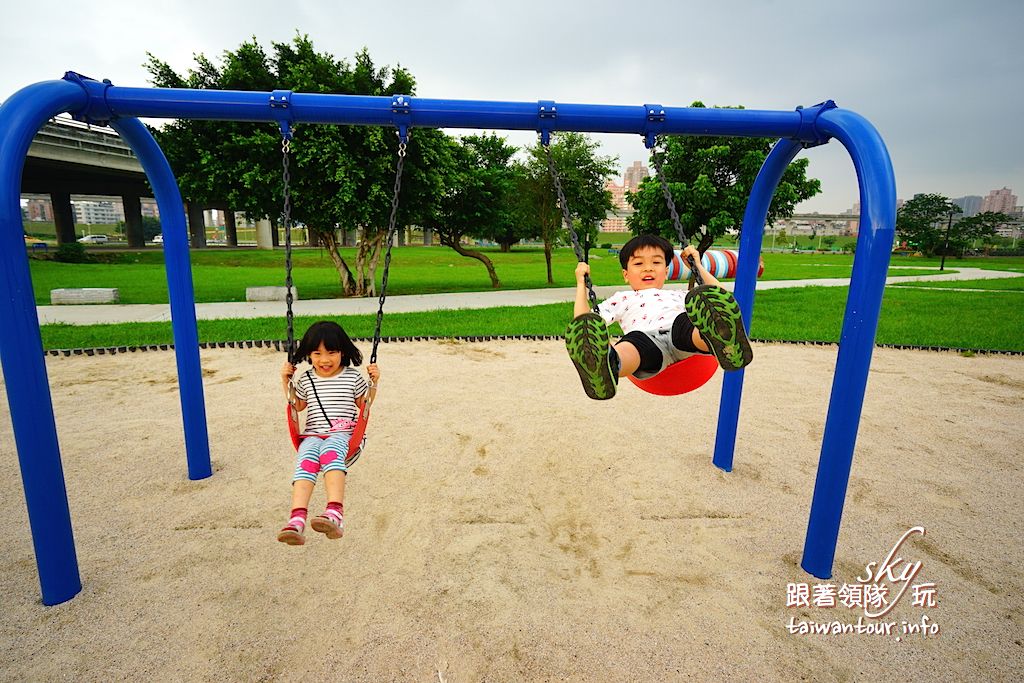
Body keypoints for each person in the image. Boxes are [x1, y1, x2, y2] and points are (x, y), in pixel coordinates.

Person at [565, 233, 753, 400]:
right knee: (632, 343)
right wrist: (581, 283)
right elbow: (584, 323)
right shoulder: (621, 298)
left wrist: (697, 266)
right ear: (625, 274)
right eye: (639, 263)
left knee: (687, 323)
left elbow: (720, 296)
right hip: (647, 344)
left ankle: (721, 336)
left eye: (656, 262)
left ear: (666, 271)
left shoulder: (681, 295)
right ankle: (608, 364)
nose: (648, 268)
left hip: (682, 338)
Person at [277, 321, 380, 545]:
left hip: (343, 434)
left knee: (331, 451)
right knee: (305, 460)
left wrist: (374, 382)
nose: (324, 360)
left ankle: (335, 513)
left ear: (342, 352)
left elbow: (364, 404)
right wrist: (286, 382)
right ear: (308, 355)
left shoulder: (352, 377)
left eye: (331, 353)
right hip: (313, 434)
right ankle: (297, 519)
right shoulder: (306, 379)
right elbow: (298, 405)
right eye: (317, 353)